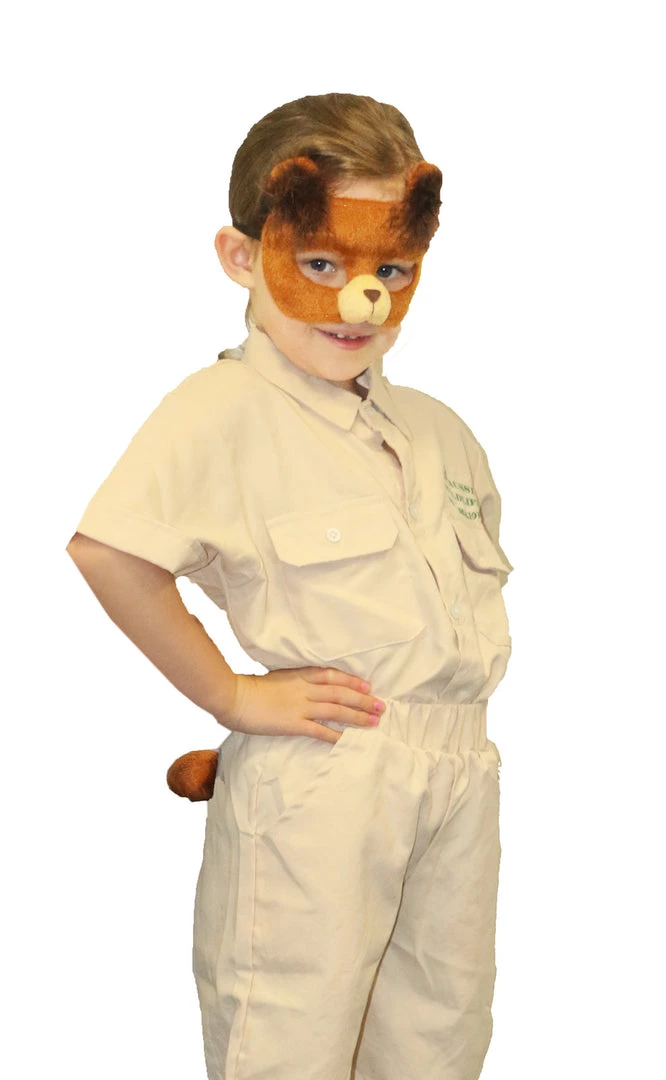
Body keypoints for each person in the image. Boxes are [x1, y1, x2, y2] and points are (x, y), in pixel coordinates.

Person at [66, 92, 513, 1080]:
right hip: (326, 776)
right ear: (242, 256)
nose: (362, 300)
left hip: (457, 770)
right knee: (291, 1035)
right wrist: (232, 696)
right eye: (321, 264)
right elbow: (111, 552)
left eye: (392, 270)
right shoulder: (222, 410)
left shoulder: (438, 432)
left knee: (439, 1034)